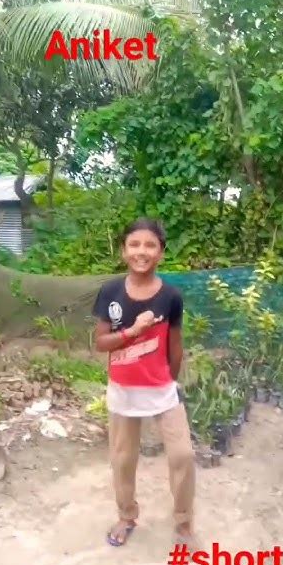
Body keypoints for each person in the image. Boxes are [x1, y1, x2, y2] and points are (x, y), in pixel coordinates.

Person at [92, 217, 196, 547]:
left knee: (183, 456)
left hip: (162, 390)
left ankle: (183, 524)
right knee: (123, 460)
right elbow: (100, 342)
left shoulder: (171, 296)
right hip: (123, 391)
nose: (142, 251)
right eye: (134, 244)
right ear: (124, 251)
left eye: (150, 245)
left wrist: (170, 381)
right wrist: (133, 331)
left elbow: (175, 345)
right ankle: (126, 516)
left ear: (161, 253)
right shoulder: (110, 291)